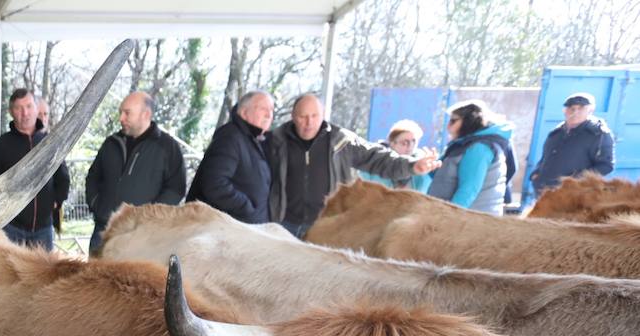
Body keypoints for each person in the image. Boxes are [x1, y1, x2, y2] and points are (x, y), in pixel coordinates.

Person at [268, 93, 440, 238]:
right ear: (293, 116)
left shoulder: (341, 140)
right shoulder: (275, 141)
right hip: (285, 224)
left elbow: (377, 157)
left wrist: (412, 166)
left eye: (315, 116)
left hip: (327, 225)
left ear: (323, 116)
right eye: (303, 116)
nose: (309, 122)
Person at [85, 91, 188, 255]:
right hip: (103, 232)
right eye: (120, 112)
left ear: (145, 114)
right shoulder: (111, 143)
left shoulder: (168, 147)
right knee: (95, 280)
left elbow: (175, 189)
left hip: (143, 237)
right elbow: (93, 178)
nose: (121, 118)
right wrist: (97, 205)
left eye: (127, 113)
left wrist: (149, 218)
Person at [0, 87, 69, 250]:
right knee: (9, 276)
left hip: (43, 230)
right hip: (10, 229)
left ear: (37, 109)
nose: (25, 113)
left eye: (29, 106)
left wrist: (57, 201)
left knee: (42, 275)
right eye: (18, 108)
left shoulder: (51, 143)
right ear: (11, 112)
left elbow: (63, 177)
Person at [186, 91, 275, 224]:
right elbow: (215, 184)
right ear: (244, 113)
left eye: (271, 110)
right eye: (263, 109)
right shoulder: (230, 137)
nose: (269, 115)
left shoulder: (255, 140)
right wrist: (247, 208)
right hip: (225, 229)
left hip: (243, 227)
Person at [426, 100, 515, 215]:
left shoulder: (479, 148)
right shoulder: (465, 144)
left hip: (470, 224)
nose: (448, 126)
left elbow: (468, 189)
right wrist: (432, 166)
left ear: (470, 121)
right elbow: (447, 180)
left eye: (453, 121)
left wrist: (449, 217)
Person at [529, 92, 615, 194]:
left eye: (581, 108)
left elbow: (605, 166)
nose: (575, 112)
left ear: (590, 110)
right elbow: (546, 158)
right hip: (544, 190)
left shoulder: (598, 134)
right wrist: (536, 175)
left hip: (573, 194)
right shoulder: (557, 132)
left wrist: (574, 181)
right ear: (564, 111)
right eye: (571, 108)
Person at [358, 120, 433, 193]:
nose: (410, 147)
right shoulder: (373, 165)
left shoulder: (421, 171)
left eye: (414, 142)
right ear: (392, 143)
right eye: (405, 142)